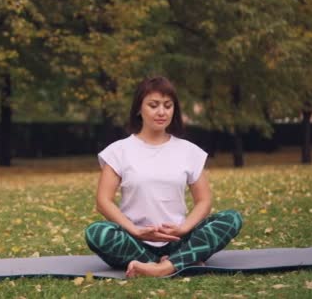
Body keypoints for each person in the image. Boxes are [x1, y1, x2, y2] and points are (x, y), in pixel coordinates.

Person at [85, 76, 242, 277]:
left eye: (168, 106)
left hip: (179, 241)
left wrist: (183, 229)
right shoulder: (119, 151)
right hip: (135, 240)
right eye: (153, 105)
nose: (162, 112)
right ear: (138, 109)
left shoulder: (188, 151)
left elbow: (204, 201)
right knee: (96, 232)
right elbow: (103, 201)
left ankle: (163, 267)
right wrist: (135, 230)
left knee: (231, 218)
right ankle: (179, 262)